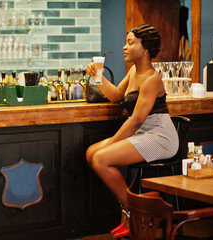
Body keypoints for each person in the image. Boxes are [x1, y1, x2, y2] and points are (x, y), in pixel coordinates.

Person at [85, 24, 179, 238]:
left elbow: (136, 120)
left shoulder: (151, 79)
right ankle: (133, 212)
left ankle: (136, 214)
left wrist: (112, 143)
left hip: (160, 137)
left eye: (130, 43)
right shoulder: (134, 71)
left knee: (100, 158)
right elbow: (117, 95)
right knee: (91, 153)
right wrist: (98, 76)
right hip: (144, 133)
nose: (124, 47)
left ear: (145, 48)